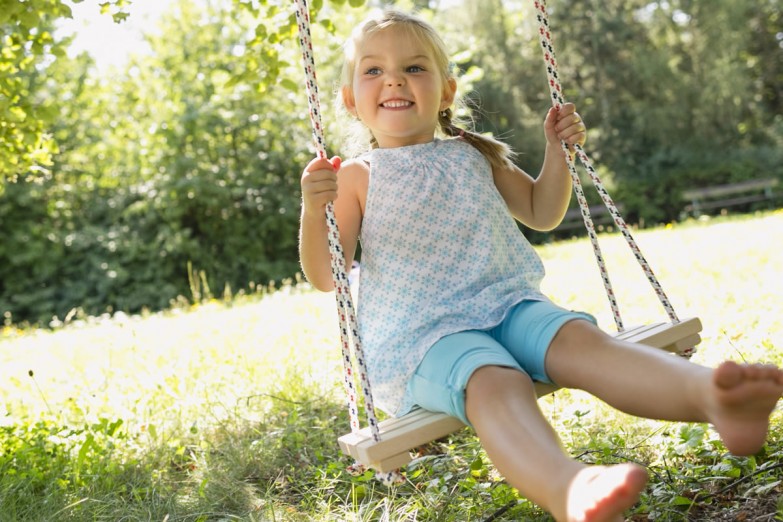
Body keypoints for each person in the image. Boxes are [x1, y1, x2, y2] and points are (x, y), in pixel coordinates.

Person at [298, 9, 783, 522]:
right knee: (493, 380)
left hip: (509, 304)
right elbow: (327, 275)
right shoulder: (355, 177)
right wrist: (314, 209)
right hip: (424, 338)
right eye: (373, 70)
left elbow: (540, 210)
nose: (394, 79)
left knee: (581, 340)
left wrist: (558, 151)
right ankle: (567, 488)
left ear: (446, 92)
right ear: (350, 100)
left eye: (414, 67)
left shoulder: (472, 154)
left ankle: (714, 397)